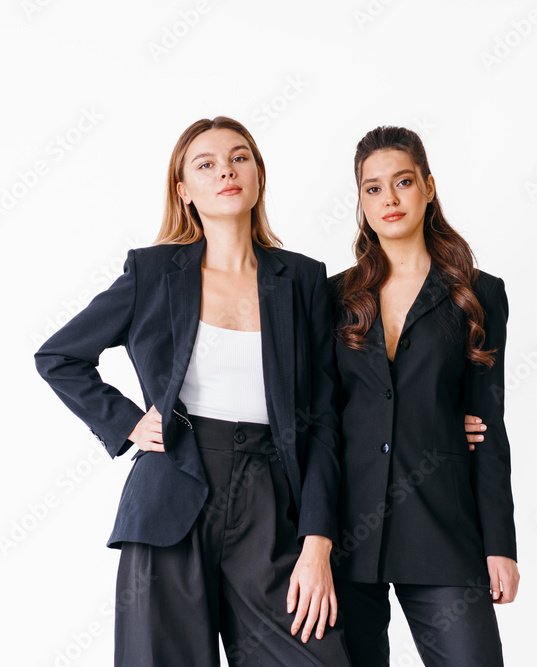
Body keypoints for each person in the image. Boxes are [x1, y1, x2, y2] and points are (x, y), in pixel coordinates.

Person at [34, 116, 351, 667]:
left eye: (239, 157)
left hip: (273, 505)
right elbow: (60, 356)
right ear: (183, 189)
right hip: (172, 492)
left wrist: (318, 541)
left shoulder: (302, 280)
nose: (225, 170)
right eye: (205, 164)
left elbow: (323, 419)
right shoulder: (153, 272)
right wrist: (127, 421)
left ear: (258, 175)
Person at [328, 125, 519, 666]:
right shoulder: (330, 296)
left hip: (442, 528)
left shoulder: (479, 294)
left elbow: (490, 424)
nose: (389, 199)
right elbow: (318, 414)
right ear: (361, 200)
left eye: (403, 181)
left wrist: (499, 544)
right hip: (346, 535)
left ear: (429, 187)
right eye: (372, 188)